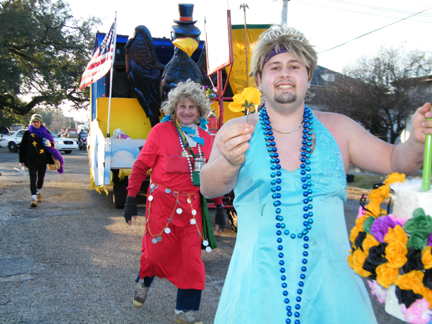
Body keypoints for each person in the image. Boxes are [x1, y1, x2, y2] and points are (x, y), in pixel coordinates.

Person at [200, 25, 432, 324]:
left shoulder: (340, 128)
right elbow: (208, 186)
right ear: (259, 79)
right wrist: (230, 161)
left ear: (309, 76)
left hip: (334, 292)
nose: (285, 73)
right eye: (274, 67)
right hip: (256, 291)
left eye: (294, 66)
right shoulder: (237, 131)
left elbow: (396, 160)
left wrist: (415, 139)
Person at [123, 80, 215, 324]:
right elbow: (141, 166)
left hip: (192, 209)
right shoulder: (160, 132)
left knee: (192, 259)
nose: (186, 111)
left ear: (200, 111)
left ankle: (185, 311)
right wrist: (131, 198)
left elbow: (214, 173)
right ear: (174, 108)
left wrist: (220, 206)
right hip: (162, 207)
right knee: (154, 254)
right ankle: (143, 281)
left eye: (192, 107)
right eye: (182, 106)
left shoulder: (207, 138)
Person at [19, 114, 64, 208]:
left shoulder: (46, 132)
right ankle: (33, 199)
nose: (35, 123)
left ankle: (38, 191)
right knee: (32, 178)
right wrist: (21, 160)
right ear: (31, 123)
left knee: (41, 178)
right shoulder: (27, 133)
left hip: (42, 159)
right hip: (30, 159)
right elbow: (22, 147)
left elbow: (52, 146)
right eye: (33, 122)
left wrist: (50, 144)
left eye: (37, 121)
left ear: (40, 123)